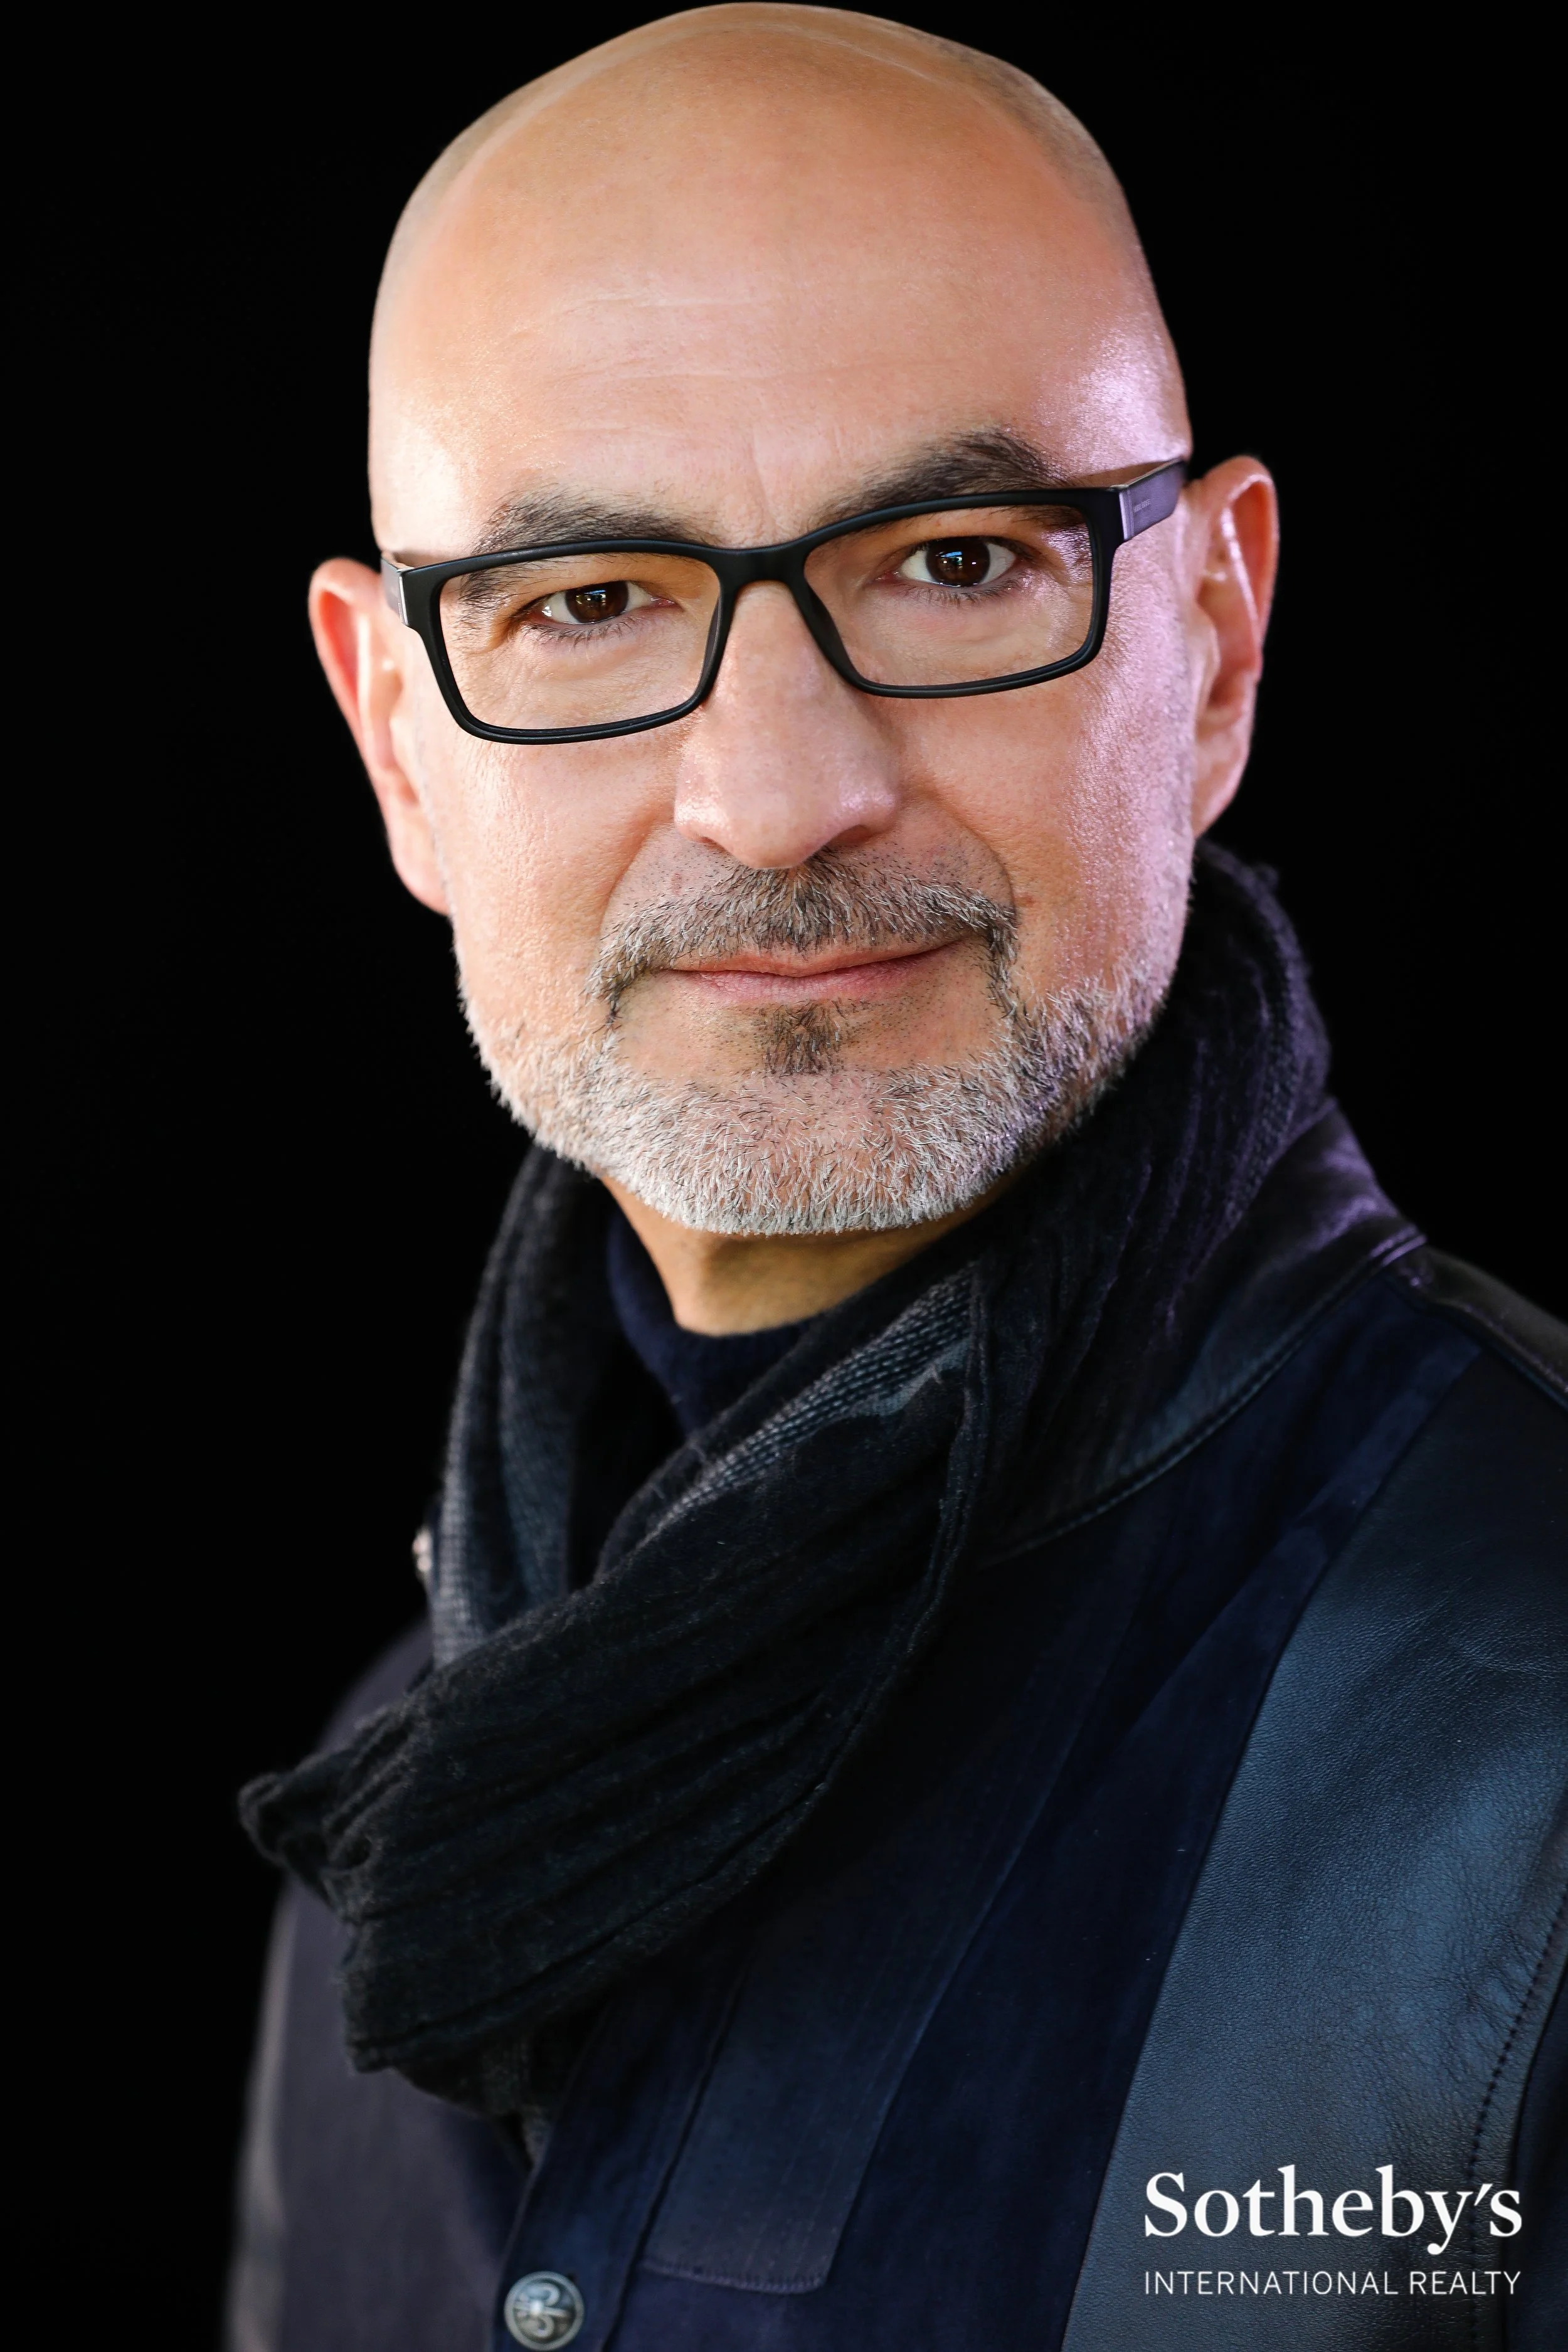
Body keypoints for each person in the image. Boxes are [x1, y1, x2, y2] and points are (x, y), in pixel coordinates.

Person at [230, 11, 1566, 2347]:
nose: (776, 792)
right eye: (586, 603)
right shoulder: (392, 1804)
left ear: (1215, 645)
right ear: (399, 747)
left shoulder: (1533, 1718)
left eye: (955, 560)